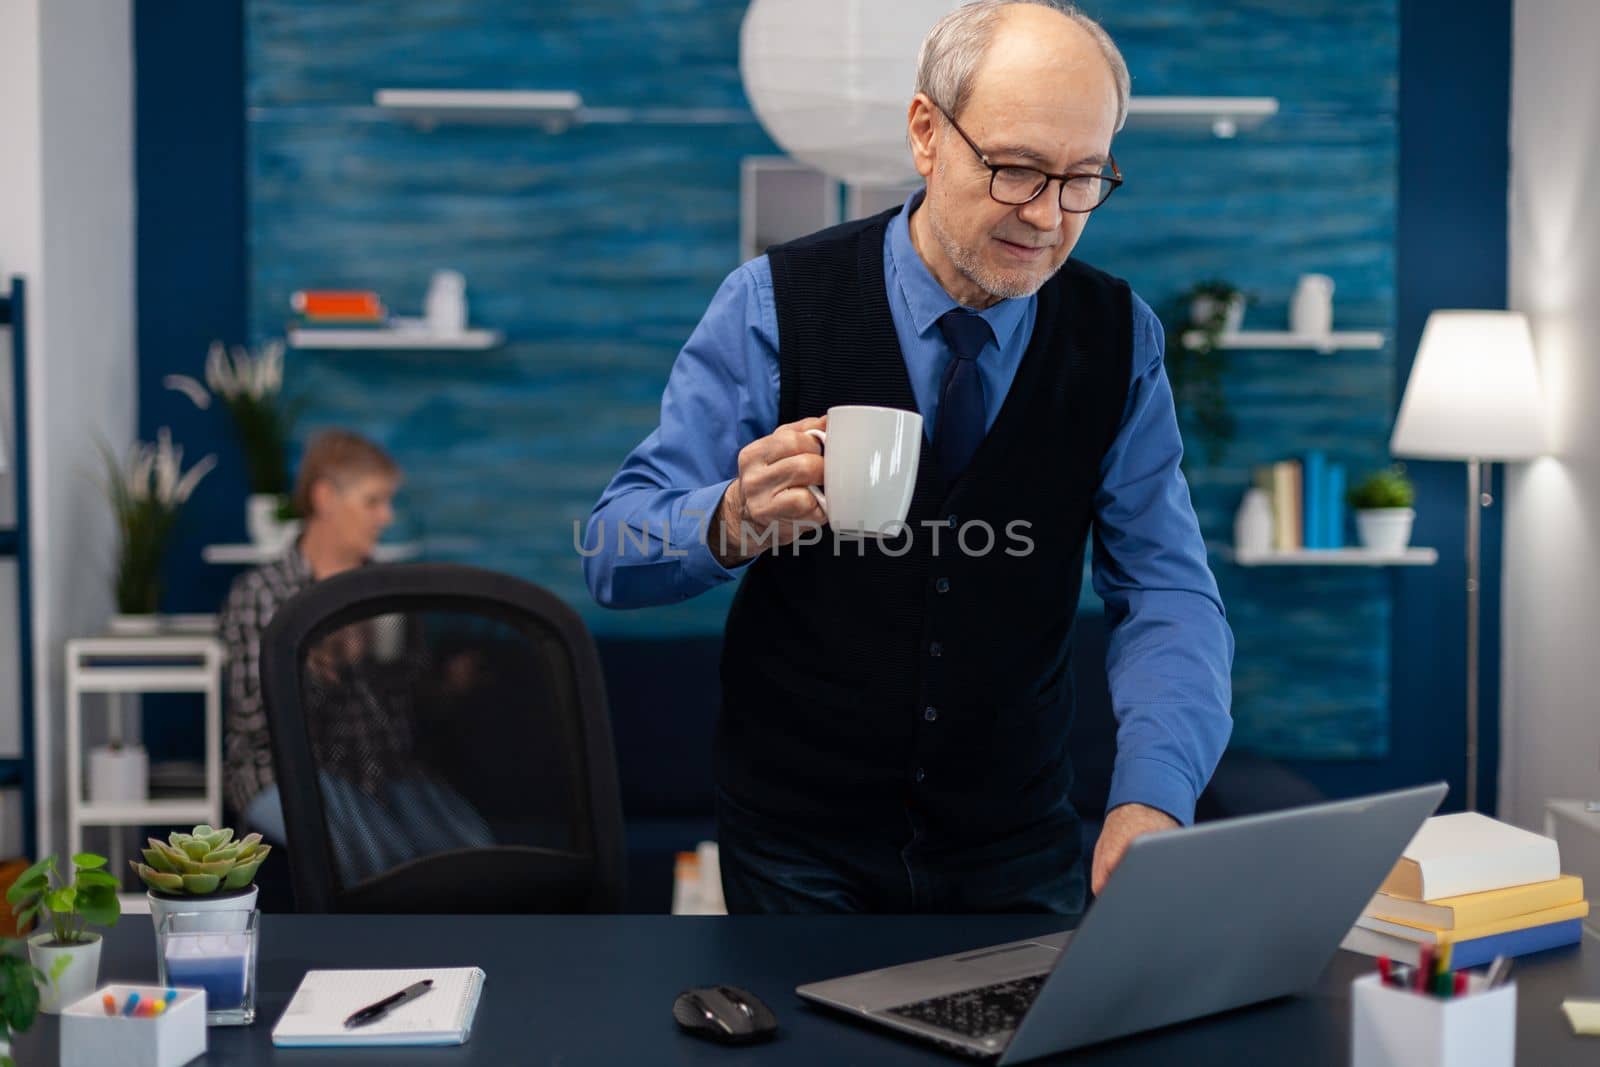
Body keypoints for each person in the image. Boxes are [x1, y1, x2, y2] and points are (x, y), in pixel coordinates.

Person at [583, 0, 1233, 914]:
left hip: (1020, 844)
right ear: (927, 133)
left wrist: (1154, 794)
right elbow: (611, 552)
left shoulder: (1120, 338)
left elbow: (1166, 589)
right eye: (1016, 170)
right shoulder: (772, 305)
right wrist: (729, 519)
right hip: (797, 848)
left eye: (1083, 179)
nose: (1047, 216)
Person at [220, 429, 491, 884]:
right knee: (378, 862)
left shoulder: (387, 591)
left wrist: (445, 688)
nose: (386, 517)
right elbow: (254, 723)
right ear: (325, 498)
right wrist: (323, 667)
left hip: (383, 769)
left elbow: (408, 699)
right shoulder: (263, 595)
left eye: (388, 501)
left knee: (476, 855)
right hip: (283, 771)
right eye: (373, 502)